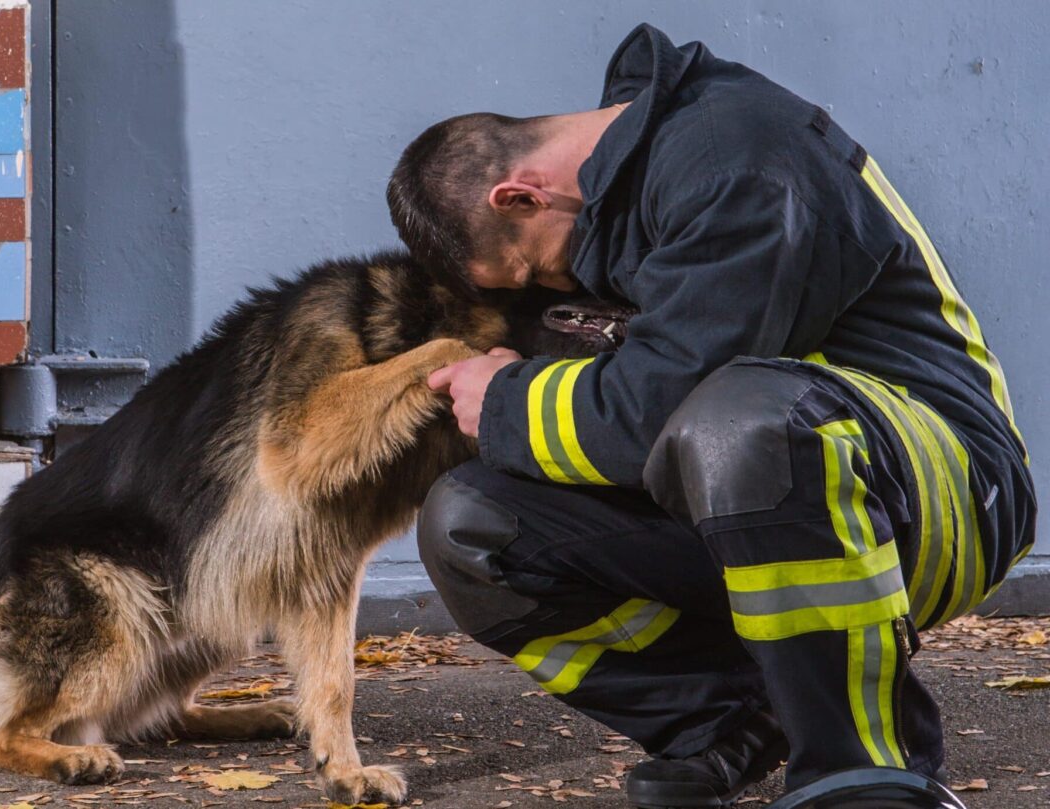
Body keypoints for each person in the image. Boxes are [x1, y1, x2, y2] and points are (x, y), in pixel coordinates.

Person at [385, 22, 1037, 809]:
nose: (552, 288)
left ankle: (864, 767)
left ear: (521, 196)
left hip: (943, 493)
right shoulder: (638, 188)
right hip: (754, 490)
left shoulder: (738, 157)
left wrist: (507, 399)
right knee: (470, 521)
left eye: (534, 269)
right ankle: (737, 716)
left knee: (740, 417)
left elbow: (655, 411)